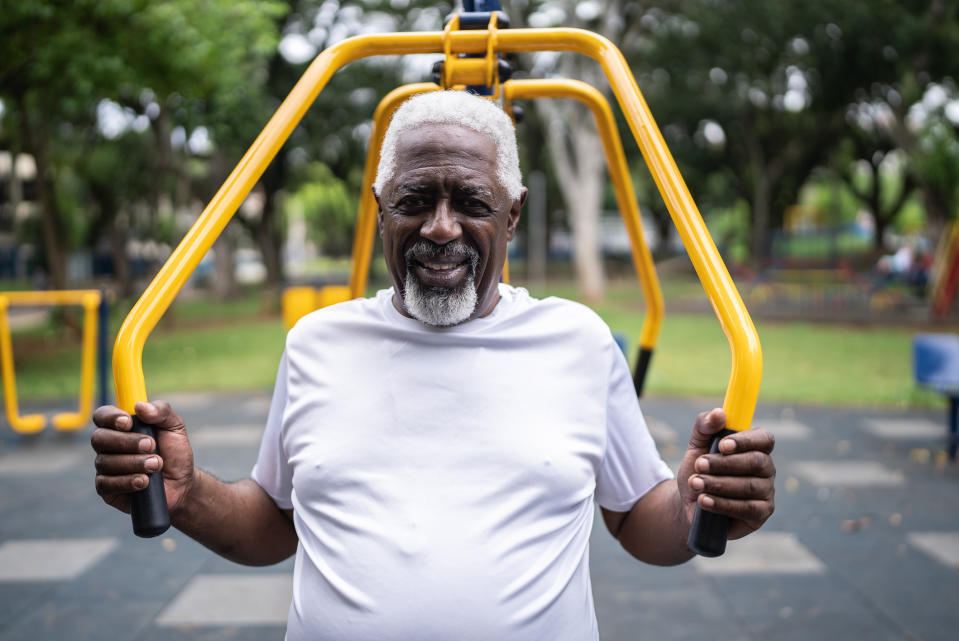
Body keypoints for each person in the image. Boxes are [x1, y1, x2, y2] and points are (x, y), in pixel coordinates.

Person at [92, 91, 775, 640]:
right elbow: (276, 522)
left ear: (511, 215)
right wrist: (185, 494)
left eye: (471, 203)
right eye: (414, 200)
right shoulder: (317, 342)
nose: (440, 227)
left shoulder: (577, 341)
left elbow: (635, 519)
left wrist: (693, 500)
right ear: (380, 210)